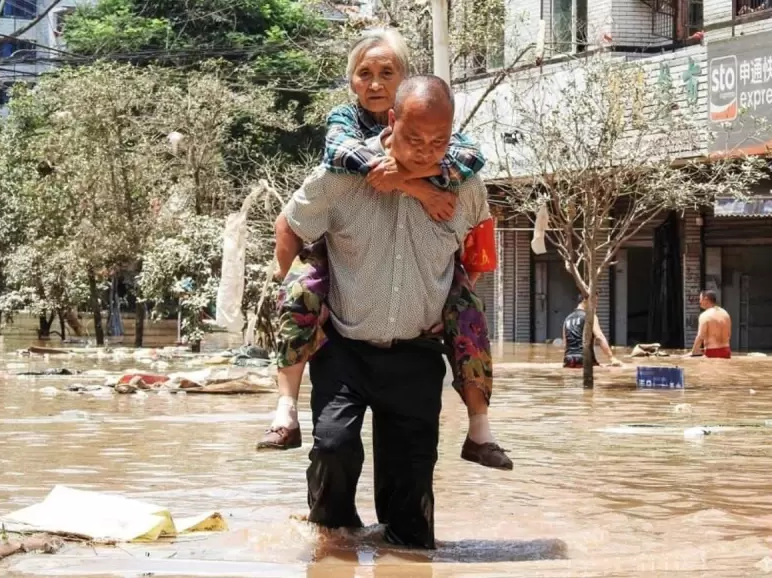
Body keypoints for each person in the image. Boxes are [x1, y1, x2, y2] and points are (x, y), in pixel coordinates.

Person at [259, 28, 510, 470]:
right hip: (342, 304)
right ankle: (285, 408)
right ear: (353, 82)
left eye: (386, 73)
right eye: (365, 74)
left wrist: (423, 181)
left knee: (469, 314)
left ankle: (480, 428)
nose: (374, 84)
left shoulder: (445, 140)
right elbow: (340, 163)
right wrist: (410, 183)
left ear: (404, 82)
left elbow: (470, 163)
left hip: (416, 346)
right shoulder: (343, 124)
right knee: (300, 295)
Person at [275, 75, 494, 548]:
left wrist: (455, 301)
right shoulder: (339, 179)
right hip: (344, 349)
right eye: (414, 138)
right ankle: (332, 547)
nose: (425, 151)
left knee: (411, 493)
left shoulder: (466, 185)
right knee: (333, 449)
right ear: (392, 121)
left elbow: (479, 248)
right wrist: (297, 286)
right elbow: (289, 223)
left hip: (416, 353)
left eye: (439, 141)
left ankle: (403, 554)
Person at [562, 294, 621, 368]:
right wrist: (612, 358)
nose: (596, 305)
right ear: (585, 300)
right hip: (584, 359)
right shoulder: (590, 316)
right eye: (595, 302)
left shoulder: (567, 319)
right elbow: (599, 337)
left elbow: (565, 344)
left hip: (568, 360)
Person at [689, 289, 732, 358]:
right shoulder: (725, 313)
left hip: (712, 352)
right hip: (726, 350)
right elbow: (729, 334)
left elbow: (700, 336)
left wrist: (693, 352)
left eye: (700, 299)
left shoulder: (705, 315)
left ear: (706, 299)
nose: (699, 302)